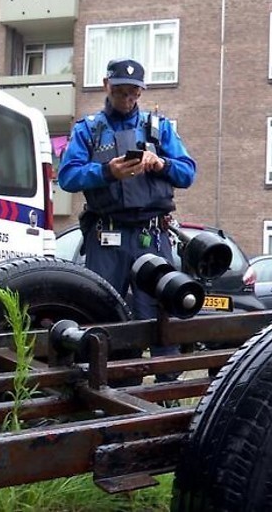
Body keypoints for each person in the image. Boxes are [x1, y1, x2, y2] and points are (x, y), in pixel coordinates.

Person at [58, 58, 196, 381]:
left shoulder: (160, 129)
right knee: (103, 313)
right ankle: (109, 386)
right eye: (121, 91)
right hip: (107, 238)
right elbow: (67, 176)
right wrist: (107, 172)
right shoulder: (88, 130)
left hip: (152, 235)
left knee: (161, 311)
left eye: (134, 92)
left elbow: (188, 172)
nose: (128, 99)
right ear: (107, 85)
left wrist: (161, 164)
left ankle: (166, 392)